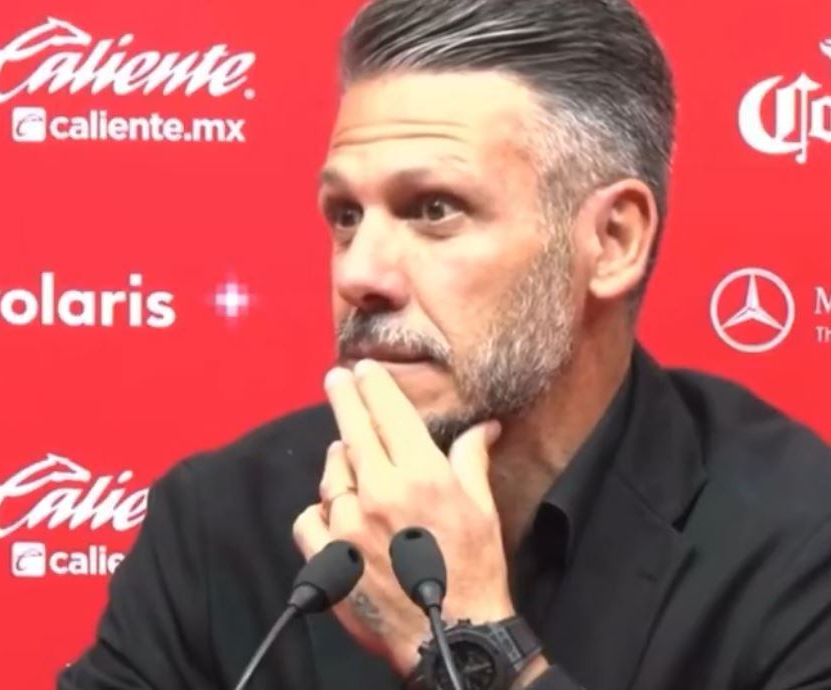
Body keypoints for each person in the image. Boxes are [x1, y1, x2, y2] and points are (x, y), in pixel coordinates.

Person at [57, 0, 831, 688]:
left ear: (611, 241)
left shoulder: (800, 541)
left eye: (433, 209)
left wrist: (471, 642)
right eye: (345, 215)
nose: (359, 273)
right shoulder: (217, 521)